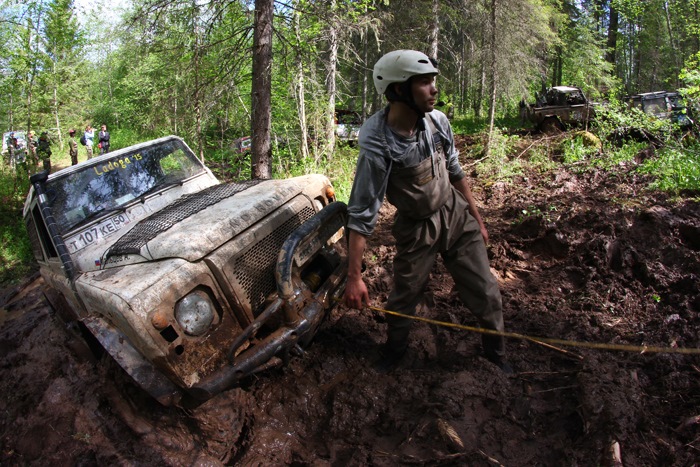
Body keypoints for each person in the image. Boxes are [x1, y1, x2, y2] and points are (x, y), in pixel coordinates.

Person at [343, 50, 512, 373]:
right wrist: (354, 277)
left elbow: (455, 171)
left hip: (456, 214)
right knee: (404, 297)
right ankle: (394, 351)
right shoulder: (378, 142)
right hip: (417, 227)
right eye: (424, 82)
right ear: (397, 90)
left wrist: (476, 218)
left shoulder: (437, 121)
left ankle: (496, 354)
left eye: (433, 81)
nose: (434, 89)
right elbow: (363, 212)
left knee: (486, 291)